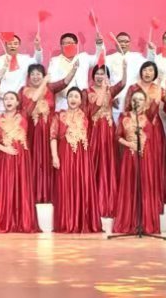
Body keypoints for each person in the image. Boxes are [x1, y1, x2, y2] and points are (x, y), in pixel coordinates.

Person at [20, 63, 75, 204]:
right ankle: (31, 193)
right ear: (28, 77)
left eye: (38, 74)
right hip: (31, 130)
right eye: (33, 74)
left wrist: (74, 69)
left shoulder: (50, 87)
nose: (35, 76)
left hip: (49, 130)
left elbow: (65, 82)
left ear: (43, 76)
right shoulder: (23, 91)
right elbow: (21, 110)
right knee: (32, 159)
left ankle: (50, 193)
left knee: (50, 158)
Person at [51, 87, 101, 234]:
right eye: (70, 96)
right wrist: (54, 156)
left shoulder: (86, 114)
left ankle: (82, 221)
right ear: (66, 99)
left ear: (81, 100)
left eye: (76, 96)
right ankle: (67, 222)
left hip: (82, 157)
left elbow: (98, 104)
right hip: (65, 154)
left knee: (82, 184)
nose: (73, 99)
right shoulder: (59, 116)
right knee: (66, 186)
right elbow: (53, 137)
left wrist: (104, 87)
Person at [0, 92, 39, 233]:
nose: (8, 101)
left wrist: (45, 82)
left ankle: (24, 221)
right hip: (5, 158)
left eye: (11, 98)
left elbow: (34, 98)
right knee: (6, 187)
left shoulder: (24, 114)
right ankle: (5, 220)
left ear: (17, 102)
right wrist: (5, 149)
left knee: (22, 187)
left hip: (22, 158)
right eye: (6, 99)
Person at [112, 90, 161, 235]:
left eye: (140, 99)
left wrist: (160, 83)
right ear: (130, 101)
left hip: (146, 157)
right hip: (130, 156)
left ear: (145, 102)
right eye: (135, 99)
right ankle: (129, 223)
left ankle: (145, 224)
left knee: (145, 188)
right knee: (130, 188)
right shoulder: (124, 116)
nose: (137, 101)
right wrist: (129, 144)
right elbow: (117, 136)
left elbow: (157, 101)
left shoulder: (149, 115)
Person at [85, 62, 125, 218]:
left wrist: (124, 68)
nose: (100, 76)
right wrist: (103, 91)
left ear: (107, 76)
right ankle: (91, 203)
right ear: (93, 76)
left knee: (109, 163)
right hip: (94, 130)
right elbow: (90, 111)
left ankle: (109, 201)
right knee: (94, 162)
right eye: (97, 73)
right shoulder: (87, 92)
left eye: (103, 73)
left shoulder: (110, 90)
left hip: (108, 131)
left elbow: (122, 84)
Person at [47, 32, 104, 111]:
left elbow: (98, 60)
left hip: (82, 102)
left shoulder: (83, 57)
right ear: (61, 46)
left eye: (70, 43)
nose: (67, 45)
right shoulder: (54, 61)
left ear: (76, 45)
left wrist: (99, 45)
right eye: (64, 43)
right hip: (62, 102)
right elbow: (51, 82)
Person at [0, 34, 43, 113]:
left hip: (20, 100)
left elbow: (38, 62)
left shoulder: (25, 59)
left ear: (19, 45)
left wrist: (37, 47)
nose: (13, 46)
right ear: (5, 45)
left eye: (15, 44)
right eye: (10, 44)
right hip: (3, 101)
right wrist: (4, 67)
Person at [105, 32, 146, 123]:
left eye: (126, 41)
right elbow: (105, 80)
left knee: (132, 128)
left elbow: (150, 67)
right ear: (115, 43)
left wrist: (151, 52)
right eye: (120, 41)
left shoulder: (137, 57)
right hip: (117, 100)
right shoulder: (108, 59)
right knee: (116, 127)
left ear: (130, 43)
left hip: (133, 99)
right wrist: (110, 98)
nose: (123, 44)